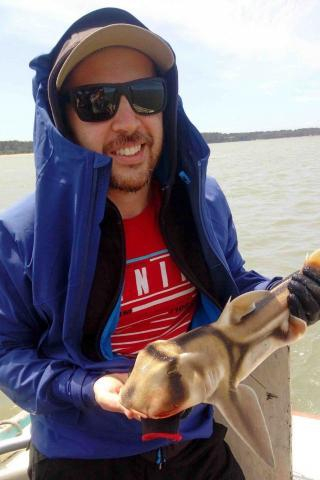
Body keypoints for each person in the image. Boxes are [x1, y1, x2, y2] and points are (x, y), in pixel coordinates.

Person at [0, 7, 319, 480]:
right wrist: (85, 389)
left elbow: (231, 288)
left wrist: (292, 294)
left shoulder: (201, 202)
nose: (128, 120)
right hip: (83, 454)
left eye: (146, 96)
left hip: (194, 440)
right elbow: (9, 354)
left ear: (166, 105)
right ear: (62, 118)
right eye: (96, 101)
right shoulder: (21, 235)